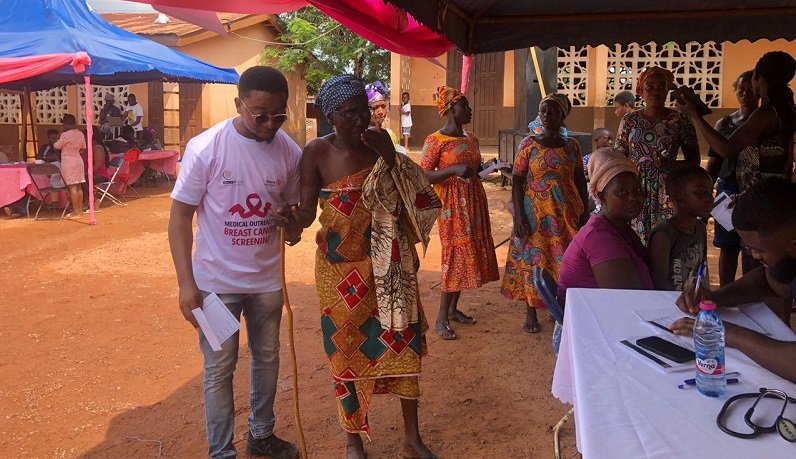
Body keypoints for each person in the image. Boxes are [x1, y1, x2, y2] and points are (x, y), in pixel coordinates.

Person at [290, 74, 439, 459]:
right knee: (345, 349)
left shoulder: (381, 145)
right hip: (339, 271)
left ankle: (412, 438)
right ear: (330, 116)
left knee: (403, 341)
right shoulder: (315, 153)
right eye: (348, 114)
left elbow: (418, 197)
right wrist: (287, 222)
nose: (360, 121)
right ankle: (353, 439)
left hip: (389, 268)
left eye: (364, 111)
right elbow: (306, 215)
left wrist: (391, 159)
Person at [167, 66, 301, 459]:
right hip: (214, 286)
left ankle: (261, 435)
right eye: (260, 115)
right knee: (219, 369)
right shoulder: (207, 148)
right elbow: (179, 217)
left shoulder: (288, 150)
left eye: (279, 116)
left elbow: (294, 224)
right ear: (238, 104)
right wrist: (186, 284)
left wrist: (289, 223)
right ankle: (221, 451)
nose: (269, 125)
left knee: (267, 359)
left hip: (266, 283)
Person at [673, 177, 796, 383]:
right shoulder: (786, 259)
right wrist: (716, 298)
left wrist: (732, 335)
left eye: (759, 250)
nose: (754, 256)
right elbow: (769, 283)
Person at [502, 93, 589, 334]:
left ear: (563, 116)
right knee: (534, 259)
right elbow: (518, 181)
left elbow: (580, 179)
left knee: (562, 258)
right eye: (543, 111)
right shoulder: (529, 144)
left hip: (565, 212)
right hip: (535, 214)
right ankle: (531, 310)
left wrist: (585, 211)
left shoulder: (572, 145)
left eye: (552, 111)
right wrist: (519, 217)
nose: (547, 116)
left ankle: (556, 306)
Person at [420, 85, 500, 340]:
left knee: (469, 254)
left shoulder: (472, 138)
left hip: (474, 202)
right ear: (451, 110)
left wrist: (489, 167)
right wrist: (452, 171)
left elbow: (473, 169)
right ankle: (441, 318)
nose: (470, 110)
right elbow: (422, 176)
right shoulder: (435, 141)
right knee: (455, 256)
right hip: (451, 208)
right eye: (464, 106)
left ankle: (453, 310)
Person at [678, 51, 795, 202]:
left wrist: (695, 115)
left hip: (763, 197)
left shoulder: (766, 114)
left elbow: (727, 149)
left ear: (757, 78)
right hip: (775, 193)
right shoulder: (786, 109)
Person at [615, 66, 700, 245]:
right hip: (636, 189)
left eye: (661, 87)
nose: (656, 91)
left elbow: (694, 160)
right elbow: (619, 158)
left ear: (669, 89)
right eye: (650, 87)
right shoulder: (630, 121)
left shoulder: (679, 120)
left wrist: (671, 166)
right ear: (641, 90)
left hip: (668, 190)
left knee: (666, 239)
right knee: (635, 241)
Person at [557, 147, 653, 301]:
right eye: (622, 192)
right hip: (591, 319)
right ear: (602, 197)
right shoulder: (599, 238)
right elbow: (629, 300)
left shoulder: (620, 228)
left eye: (637, 191)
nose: (633, 198)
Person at [705, 70, 759, 286]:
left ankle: (751, 292)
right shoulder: (724, 123)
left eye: (750, 89)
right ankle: (726, 291)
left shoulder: (764, 121)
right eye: (741, 89)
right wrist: (707, 192)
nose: (745, 93)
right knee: (727, 245)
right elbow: (714, 163)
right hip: (727, 189)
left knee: (752, 249)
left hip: (753, 190)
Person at [648, 166, 713, 291]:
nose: (709, 198)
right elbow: (659, 281)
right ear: (678, 197)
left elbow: (702, 268)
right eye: (700, 192)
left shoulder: (700, 228)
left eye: (710, 192)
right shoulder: (663, 235)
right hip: (672, 304)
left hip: (696, 302)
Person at [53, 114, 86, 219]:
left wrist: (59, 134)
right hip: (78, 160)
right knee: (79, 186)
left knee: (72, 187)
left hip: (68, 162)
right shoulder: (80, 133)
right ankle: (80, 210)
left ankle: (75, 212)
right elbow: (83, 148)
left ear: (65, 124)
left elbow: (56, 146)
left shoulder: (65, 135)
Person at [365, 81, 399, 145]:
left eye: (383, 107)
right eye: (375, 107)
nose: (381, 112)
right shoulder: (361, 137)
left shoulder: (390, 135)